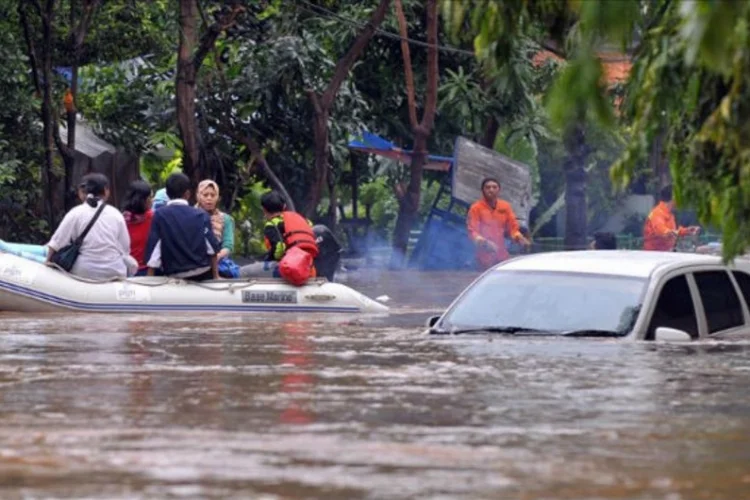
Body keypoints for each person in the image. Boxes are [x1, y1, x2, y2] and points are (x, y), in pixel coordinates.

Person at [47, 173, 135, 279]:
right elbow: (125, 248)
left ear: (83, 191)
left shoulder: (76, 212)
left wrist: (47, 262)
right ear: (106, 191)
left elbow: (57, 242)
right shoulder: (116, 214)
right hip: (113, 270)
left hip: (84, 270)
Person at [144, 173, 221, 281]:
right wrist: (216, 276)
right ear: (188, 194)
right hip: (202, 272)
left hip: (175, 273)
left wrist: (149, 279)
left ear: (167, 193)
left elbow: (155, 251)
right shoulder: (201, 215)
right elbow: (212, 248)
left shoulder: (160, 215)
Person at [467, 177, 531, 270]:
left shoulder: (505, 206)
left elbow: (513, 228)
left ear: (499, 190)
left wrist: (520, 238)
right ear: (482, 190)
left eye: (494, 187)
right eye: (487, 187)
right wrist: (485, 243)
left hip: (501, 255)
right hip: (483, 256)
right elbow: (472, 231)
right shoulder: (476, 208)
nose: (491, 190)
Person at [261, 191, 319, 275]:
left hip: (289, 270)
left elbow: (279, 247)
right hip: (309, 269)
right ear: (284, 206)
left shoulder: (271, 225)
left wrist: (270, 260)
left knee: (244, 272)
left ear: (264, 209)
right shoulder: (302, 219)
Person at [195, 179, 240, 278]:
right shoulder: (190, 216)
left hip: (219, 262)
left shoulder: (226, 219)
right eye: (205, 195)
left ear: (218, 198)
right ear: (198, 196)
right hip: (195, 263)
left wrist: (215, 258)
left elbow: (228, 246)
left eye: (213, 195)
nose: (209, 198)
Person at [643, 185, 700, 251]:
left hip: (665, 254)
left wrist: (686, 231)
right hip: (655, 256)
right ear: (674, 198)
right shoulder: (657, 214)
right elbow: (665, 232)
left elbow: (671, 232)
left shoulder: (669, 213)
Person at [122, 180, 154, 276]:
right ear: (143, 200)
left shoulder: (121, 219)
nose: (153, 200)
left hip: (126, 269)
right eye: (150, 197)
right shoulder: (152, 217)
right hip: (148, 271)